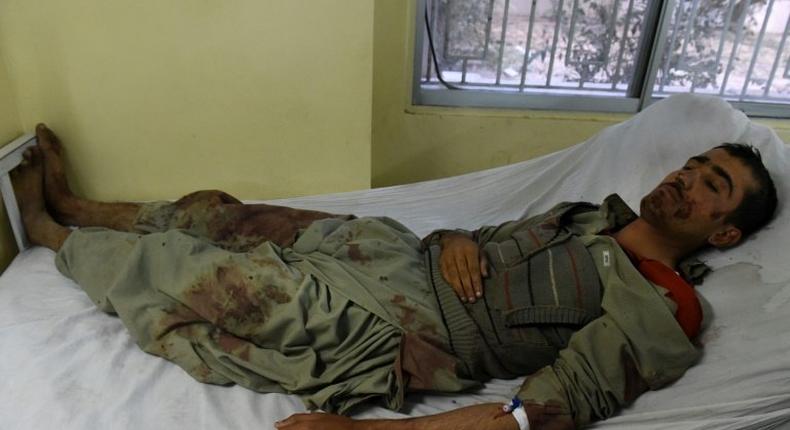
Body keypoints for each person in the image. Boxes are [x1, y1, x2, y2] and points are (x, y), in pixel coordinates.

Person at [11, 124, 777, 430]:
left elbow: (528, 417)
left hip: (389, 327)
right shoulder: (586, 217)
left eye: (712, 187)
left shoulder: (664, 306)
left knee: (176, 270)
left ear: (726, 231)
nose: (687, 179)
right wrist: (449, 239)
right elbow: (471, 238)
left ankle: (50, 234)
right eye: (694, 165)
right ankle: (81, 206)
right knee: (217, 212)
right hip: (384, 251)